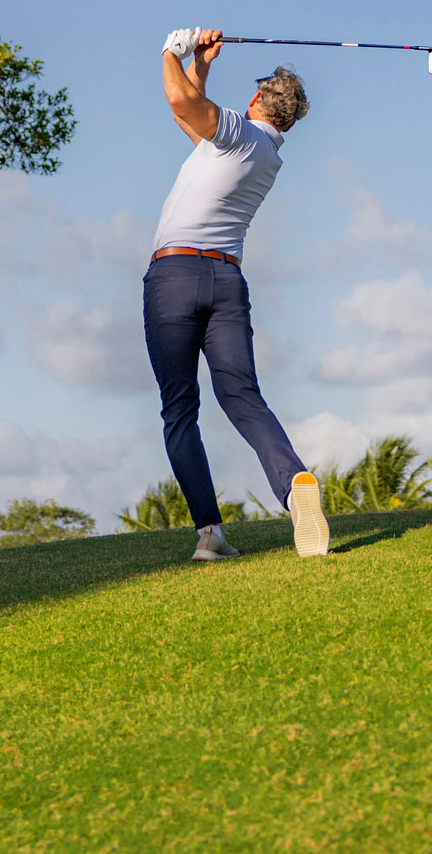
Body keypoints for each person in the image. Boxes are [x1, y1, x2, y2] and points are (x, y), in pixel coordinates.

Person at [143, 28, 332, 562]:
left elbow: (179, 101)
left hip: (174, 277)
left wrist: (171, 50)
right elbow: (188, 114)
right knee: (243, 397)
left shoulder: (239, 134)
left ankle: (210, 534)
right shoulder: (262, 151)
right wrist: (201, 65)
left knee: (180, 408)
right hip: (227, 283)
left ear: (255, 100)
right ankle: (294, 483)